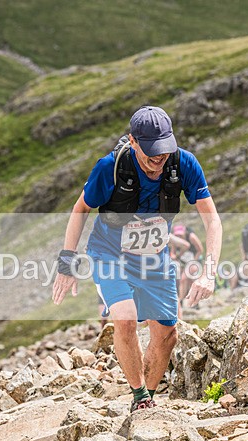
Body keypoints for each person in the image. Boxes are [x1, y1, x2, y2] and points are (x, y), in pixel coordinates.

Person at [52, 105, 222, 412]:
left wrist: (208, 271)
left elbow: (212, 220)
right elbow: (80, 209)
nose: (159, 160)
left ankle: (150, 398)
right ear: (133, 142)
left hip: (155, 259)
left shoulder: (184, 164)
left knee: (167, 334)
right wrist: (67, 262)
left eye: (164, 152)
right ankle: (140, 396)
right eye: (151, 154)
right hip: (109, 254)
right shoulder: (110, 167)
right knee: (126, 319)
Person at [170, 225, 204, 314]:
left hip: (195, 259)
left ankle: (186, 301)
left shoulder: (191, 237)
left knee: (185, 279)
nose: (178, 237)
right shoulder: (176, 241)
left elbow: (200, 249)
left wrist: (193, 261)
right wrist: (175, 257)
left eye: (180, 235)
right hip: (183, 261)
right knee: (184, 280)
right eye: (176, 235)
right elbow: (172, 253)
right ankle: (187, 302)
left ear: (184, 233)